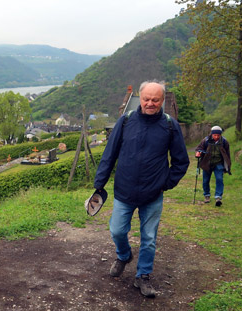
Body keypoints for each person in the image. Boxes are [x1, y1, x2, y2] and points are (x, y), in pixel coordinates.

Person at [94, 81, 189, 298]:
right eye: (146, 99)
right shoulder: (126, 121)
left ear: (162, 101)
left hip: (152, 195)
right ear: (140, 97)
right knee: (117, 230)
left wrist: (166, 183)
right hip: (124, 191)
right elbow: (110, 153)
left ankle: (143, 276)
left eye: (155, 100)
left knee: (148, 237)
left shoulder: (170, 126)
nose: (150, 103)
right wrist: (100, 182)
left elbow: (181, 162)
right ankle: (124, 255)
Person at [195, 126, 231, 206]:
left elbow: (227, 154)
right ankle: (206, 195)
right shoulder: (206, 140)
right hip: (207, 163)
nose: (216, 137)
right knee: (205, 180)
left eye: (218, 135)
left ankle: (218, 197)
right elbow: (199, 148)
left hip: (219, 163)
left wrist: (228, 166)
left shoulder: (224, 142)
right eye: (215, 135)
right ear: (212, 134)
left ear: (220, 135)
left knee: (219, 179)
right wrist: (198, 153)